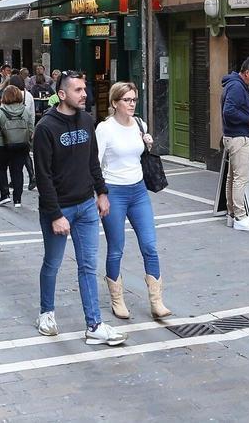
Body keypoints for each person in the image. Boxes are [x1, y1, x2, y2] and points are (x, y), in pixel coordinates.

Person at [33, 71, 125, 346]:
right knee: (53, 262)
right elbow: (43, 176)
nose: (84, 94)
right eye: (78, 90)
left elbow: (92, 162)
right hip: (59, 208)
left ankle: (94, 324)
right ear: (62, 95)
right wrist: (56, 214)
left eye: (84, 89)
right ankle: (46, 313)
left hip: (86, 205)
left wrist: (102, 192)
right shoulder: (46, 128)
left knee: (87, 265)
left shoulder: (87, 120)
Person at [96, 82, 171, 319]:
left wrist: (147, 142)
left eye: (134, 100)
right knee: (116, 248)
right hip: (114, 191)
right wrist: (100, 194)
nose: (131, 104)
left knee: (149, 245)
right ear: (115, 102)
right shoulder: (104, 129)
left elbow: (141, 153)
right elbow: (95, 165)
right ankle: (117, 300)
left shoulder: (139, 124)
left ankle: (157, 301)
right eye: (127, 100)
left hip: (138, 191)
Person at [220, 58, 249, 232]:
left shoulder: (233, 85)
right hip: (239, 136)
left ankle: (232, 214)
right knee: (240, 178)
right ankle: (239, 216)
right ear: (246, 73)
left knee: (233, 177)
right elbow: (229, 111)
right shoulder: (237, 87)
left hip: (232, 136)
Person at [0, 78, 34, 207]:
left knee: (1, 169)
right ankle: (18, 199)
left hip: (3, 145)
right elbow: (31, 126)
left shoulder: (0, 111)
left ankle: (4, 195)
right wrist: (28, 139)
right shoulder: (24, 110)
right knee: (17, 171)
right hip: (21, 145)